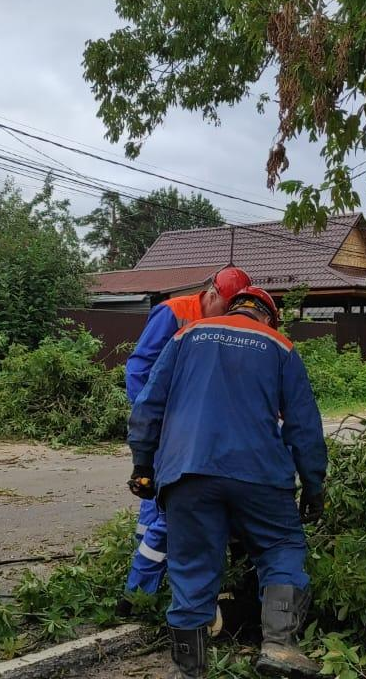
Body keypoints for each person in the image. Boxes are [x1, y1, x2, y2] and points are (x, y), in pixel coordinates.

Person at [127, 287, 327, 678]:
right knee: (280, 547)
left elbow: (149, 404)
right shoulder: (280, 346)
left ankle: (188, 671)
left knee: (191, 565)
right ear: (269, 316)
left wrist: (142, 465)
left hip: (188, 473)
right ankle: (280, 645)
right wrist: (314, 485)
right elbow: (304, 426)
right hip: (261, 475)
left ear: (234, 306)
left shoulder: (186, 336)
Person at [119, 266, 252, 614]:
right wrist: (154, 421)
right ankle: (143, 587)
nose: (228, 318)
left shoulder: (228, 325)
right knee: (162, 504)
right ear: (210, 295)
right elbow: (138, 369)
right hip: (170, 425)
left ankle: (149, 581)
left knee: (164, 505)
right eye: (224, 310)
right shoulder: (174, 313)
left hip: (199, 429)